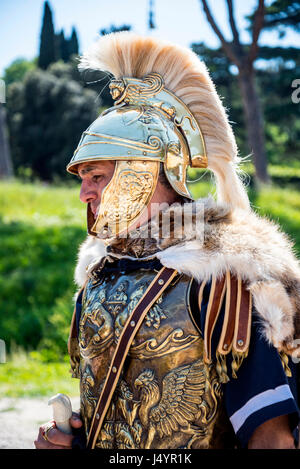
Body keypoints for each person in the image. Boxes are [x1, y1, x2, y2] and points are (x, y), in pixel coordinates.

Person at [35, 32, 300, 450]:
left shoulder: (225, 279)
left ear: (141, 174)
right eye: (83, 179)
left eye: (98, 177)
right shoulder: (101, 274)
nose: (85, 194)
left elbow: (272, 439)